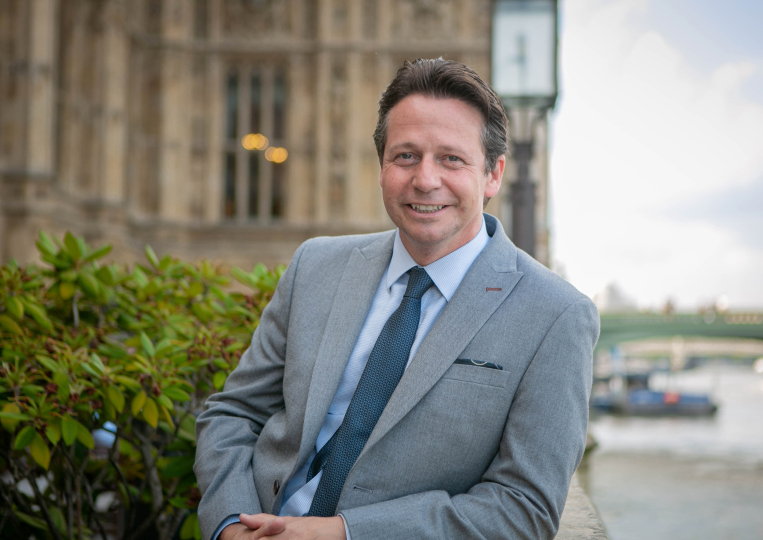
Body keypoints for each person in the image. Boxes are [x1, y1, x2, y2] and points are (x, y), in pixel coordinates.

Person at [195, 58, 599, 540]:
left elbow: (523, 510)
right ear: (382, 167)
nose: (425, 180)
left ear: (493, 175)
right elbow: (232, 413)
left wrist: (341, 534)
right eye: (406, 156)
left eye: (451, 159)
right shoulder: (315, 266)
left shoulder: (556, 315)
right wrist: (228, 524)